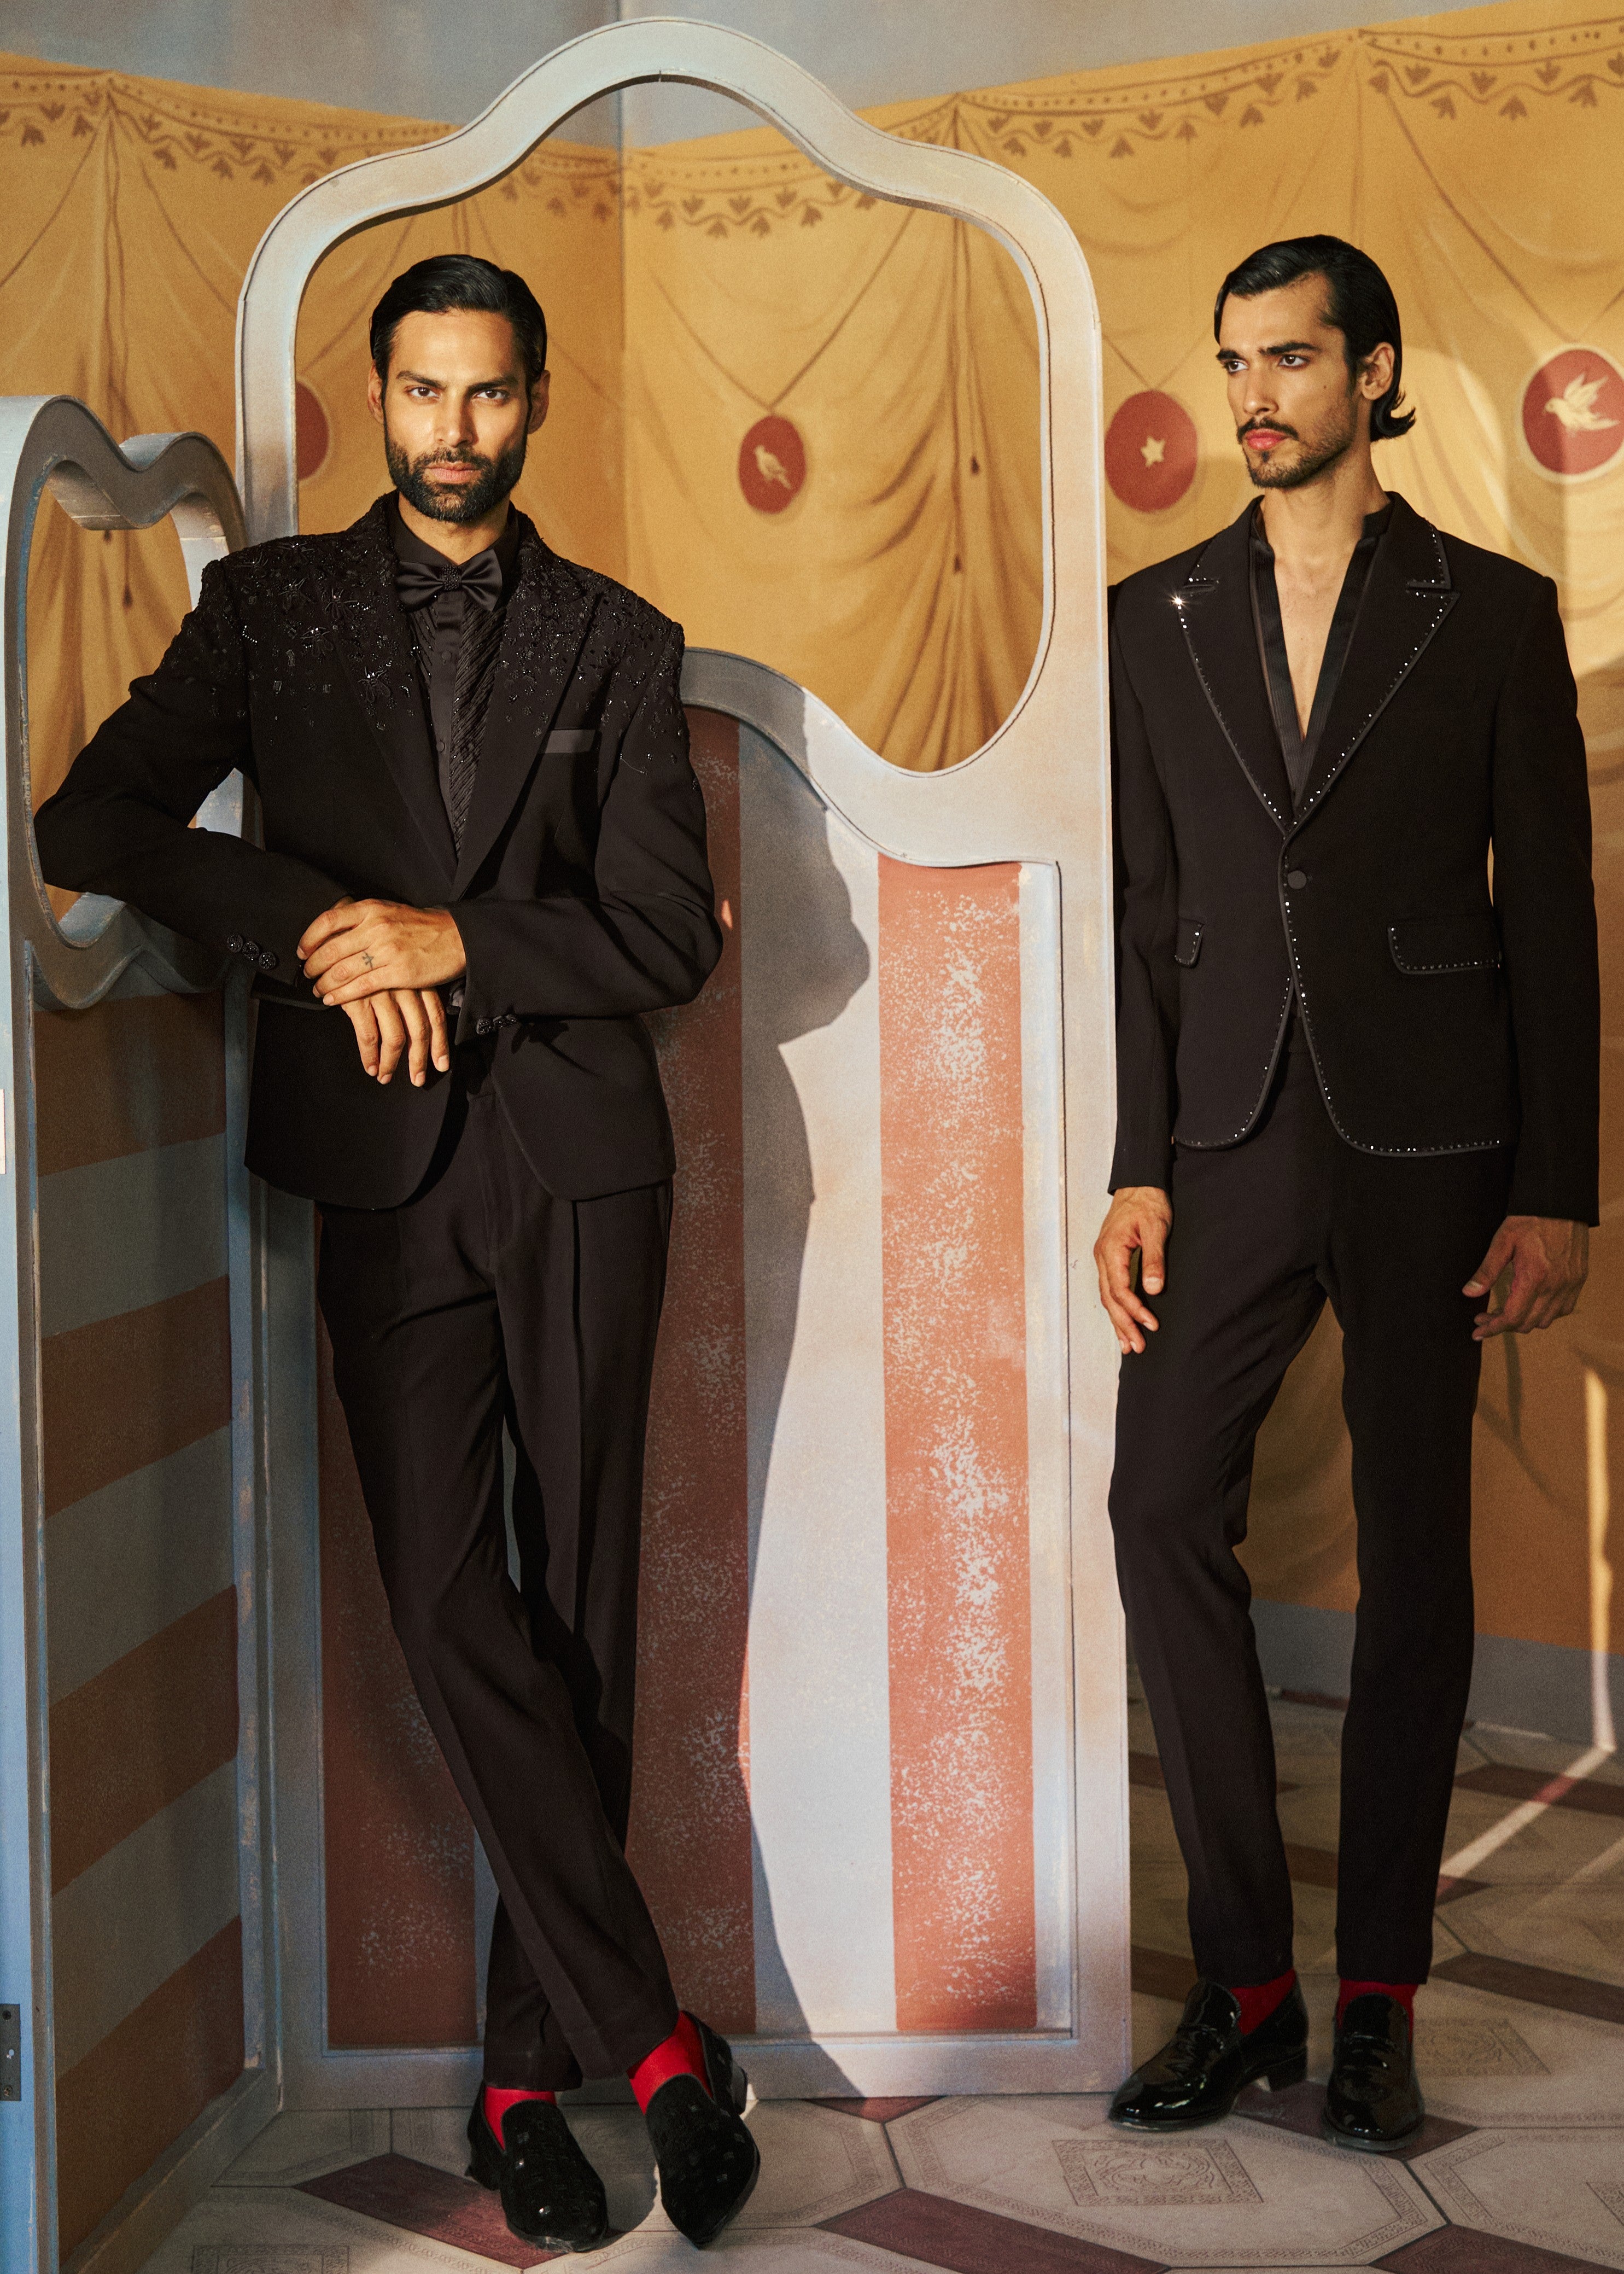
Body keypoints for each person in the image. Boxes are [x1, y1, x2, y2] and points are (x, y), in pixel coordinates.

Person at [35, 254, 760, 2252]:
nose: (457, 429)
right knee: (449, 1604)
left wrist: (458, 943)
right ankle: (657, 2044)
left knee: (581, 1611)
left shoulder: (618, 639)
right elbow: (93, 822)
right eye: (426, 392)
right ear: (377, 398)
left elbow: (661, 935)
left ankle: (521, 2083)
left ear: (537, 401)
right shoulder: (270, 610)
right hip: (380, 1166)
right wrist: (316, 927)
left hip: (581, 1167)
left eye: (491, 393)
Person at [1094, 235, 1597, 2151]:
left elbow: (1547, 917)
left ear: (1371, 372)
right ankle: (1244, 1983)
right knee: (1157, 1505)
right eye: (1232, 363)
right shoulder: (1152, 618)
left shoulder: (1488, 613)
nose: (1251, 396)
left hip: (1428, 1146)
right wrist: (1133, 1161)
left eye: (1289, 360)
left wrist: (1555, 1186)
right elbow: (1144, 910)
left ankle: (1377, 1990)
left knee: (1416, 1561)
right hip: (1221, 1142)